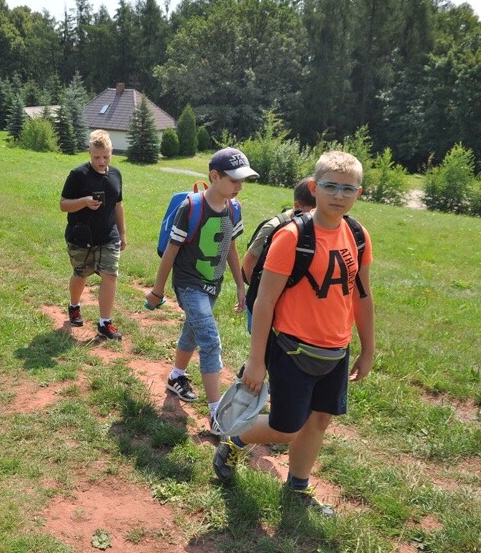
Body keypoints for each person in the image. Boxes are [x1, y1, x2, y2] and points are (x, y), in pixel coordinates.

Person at [212, 151, 376, 518]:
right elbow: (266, 302)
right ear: (314, 188)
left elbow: (361, 294)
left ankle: (298, 488)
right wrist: (256, 361)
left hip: (336, 349)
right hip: (291, 348)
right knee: (287, 426)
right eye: (330, 186)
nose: (338, 195)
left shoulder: (357, 235)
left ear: (358, 193)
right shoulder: (292, 236)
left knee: (319, 420)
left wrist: (367, 348)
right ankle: (235, 440)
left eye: (348, 189)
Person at [145, 148, 256, 428]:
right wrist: (158, 291)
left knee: (193, 331)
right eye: (234, 180)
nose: (239, 187)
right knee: (209, 339)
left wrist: (241, 286)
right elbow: (171, 251)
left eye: (242, 181)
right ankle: (217, 414)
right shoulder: (191, 207)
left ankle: (175, 376)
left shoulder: (234, 208)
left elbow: (231, 247)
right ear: (214, 176)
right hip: (188, 284)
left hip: (213, 284)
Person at [60, 129, 126, 340]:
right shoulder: (78, 176)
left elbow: (118, 205)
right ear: (89, 152)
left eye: (105, 156)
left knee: (110, 275)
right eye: (96, 157)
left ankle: (104, 323)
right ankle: (74, 305)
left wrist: (122, 233)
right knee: (81, 274)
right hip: (82, 237)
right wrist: (85, 202)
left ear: (111, 152)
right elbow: (63, 205)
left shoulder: (116, 174)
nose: (101, 161)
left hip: (108, 236)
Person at [241, 176, 316, 330]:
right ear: (297, 207)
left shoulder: (316, 229)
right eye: (313, 211)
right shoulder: (274, 227)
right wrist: (259, 297)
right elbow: (248, 264)